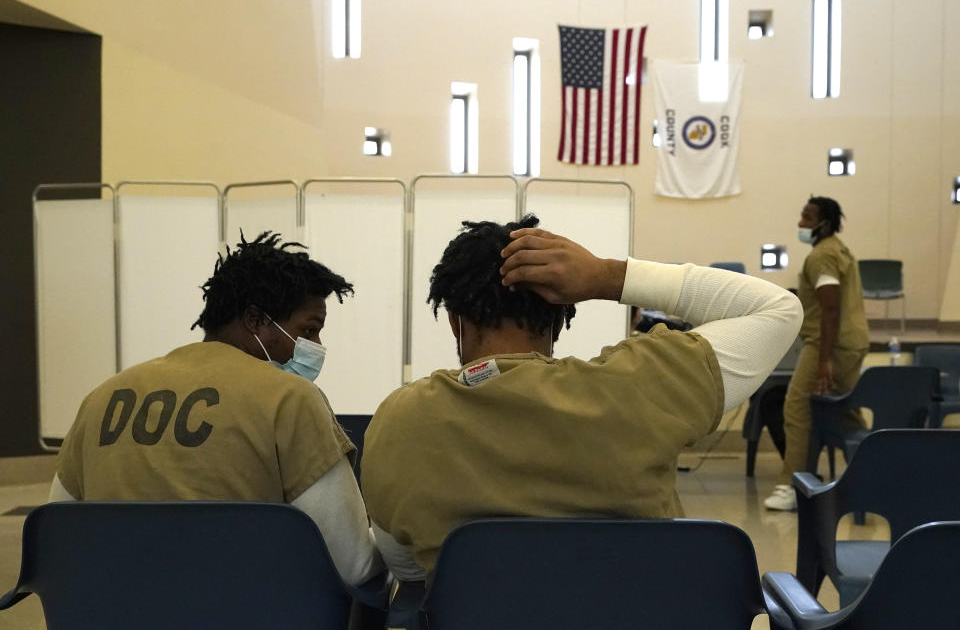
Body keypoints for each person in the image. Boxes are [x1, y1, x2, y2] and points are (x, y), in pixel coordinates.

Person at [361, 215, 802, 581]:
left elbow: (405, 567)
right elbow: (779, 310)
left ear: (455, 321)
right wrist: (606, 276)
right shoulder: (644, 383)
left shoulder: (400, 420)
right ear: (559, 316)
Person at [49, 231, 384, 586]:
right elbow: (353, 564)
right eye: (309, 330)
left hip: (109, 610)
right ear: (255, 320)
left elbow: (57, 536)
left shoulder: (102, 398)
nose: (315, 346)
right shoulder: (290, 399)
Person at [764, 196, 870, 511]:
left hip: (830, 344)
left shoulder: (822, 257)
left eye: (807, 218)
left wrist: (824, 359)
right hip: (851, 341)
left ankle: (790, 486)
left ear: (823, 222)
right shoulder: (838, 248)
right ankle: (875, 473)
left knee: (796, 408)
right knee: (845, 412)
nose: (800, 223)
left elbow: (831, 308)